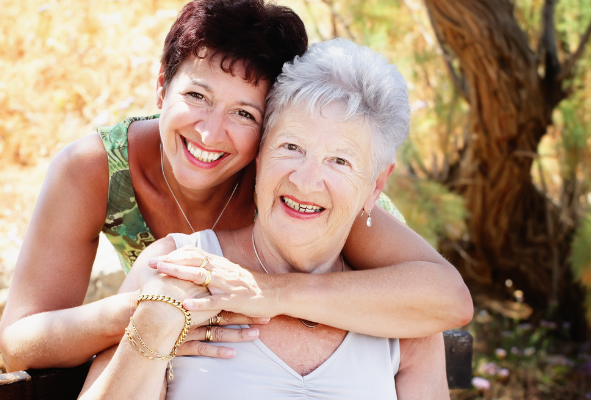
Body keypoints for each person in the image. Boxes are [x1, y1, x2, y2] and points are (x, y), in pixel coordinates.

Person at [0, 0, 472, 374]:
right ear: (162, 86)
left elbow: (445, 299)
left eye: (244, 113)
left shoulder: (299, 190)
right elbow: (20, 342)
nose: (209, 133)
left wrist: (270, 291)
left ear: (269, 129)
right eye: (196, 96)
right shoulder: (96, 170)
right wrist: (148, 311)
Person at [79, 39, 453, 400]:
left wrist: (274, 293)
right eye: (291, 147)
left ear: (376, 186)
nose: (305, 181)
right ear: (259, 156)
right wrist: (154, 323)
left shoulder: (402, 312)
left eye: (340, 161)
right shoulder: (178, 267)